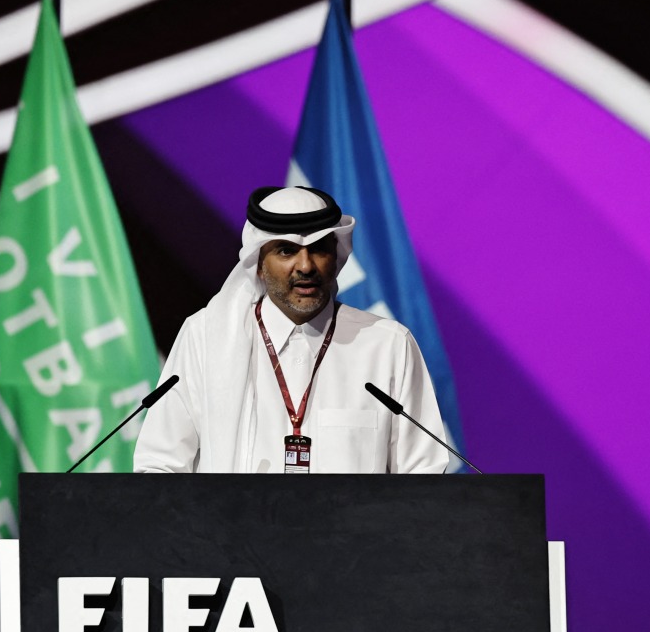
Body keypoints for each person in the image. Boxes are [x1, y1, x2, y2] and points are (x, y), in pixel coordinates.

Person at [134, 185, 449, 474]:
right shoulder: (206, 337)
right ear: (258, 263)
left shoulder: (387, 345)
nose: (306, 266)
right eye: (286, 251)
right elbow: (159, 465)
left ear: (336, 257)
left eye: (319, 249)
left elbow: (424, 474)